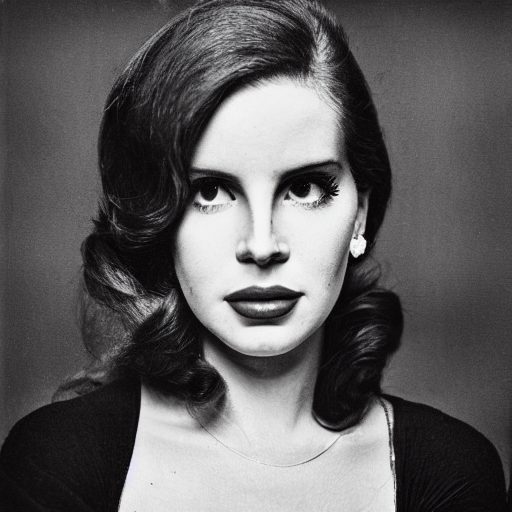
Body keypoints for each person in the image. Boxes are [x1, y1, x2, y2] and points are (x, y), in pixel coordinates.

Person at [0, 0, 507, 510]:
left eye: (305, 188)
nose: (262, 246)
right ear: (157, 218)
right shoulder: (59, 462)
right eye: (210, 192)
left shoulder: (450, 474)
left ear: (359, 213)